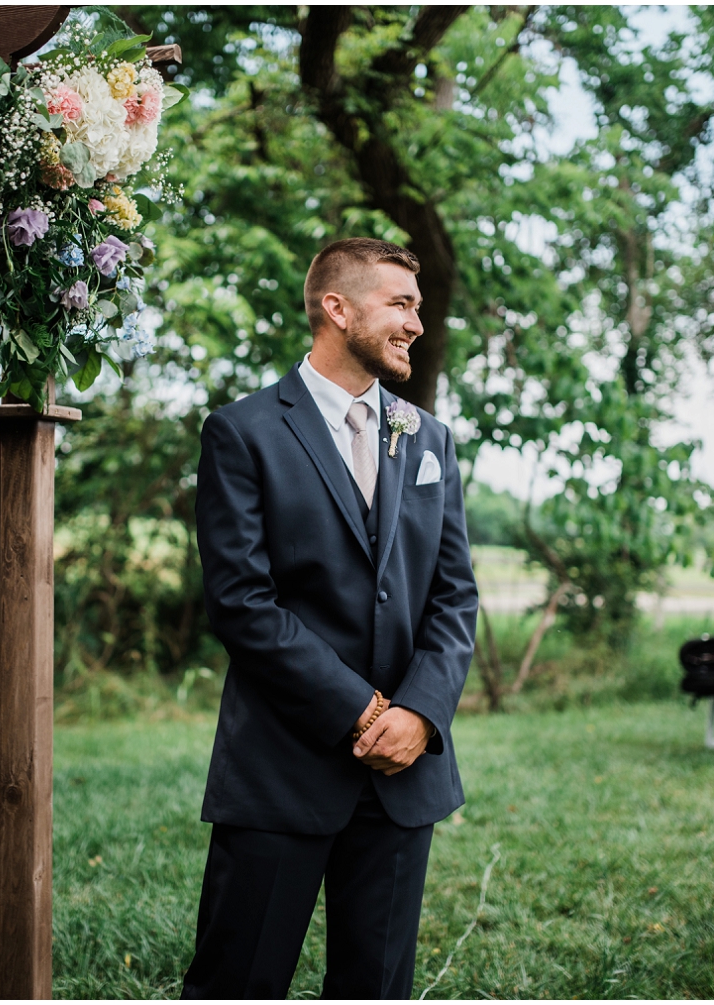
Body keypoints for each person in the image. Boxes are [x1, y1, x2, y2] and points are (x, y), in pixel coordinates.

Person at [183, 237, 478, 999]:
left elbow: (455, 596)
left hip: (404, 773)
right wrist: (359, 710)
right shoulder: (243, 432)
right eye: (400, 303)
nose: (417, 321)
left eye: (418, 305)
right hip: (283, 765)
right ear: (336, 308)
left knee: (375, 987)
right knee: (237, 981)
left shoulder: (430, 439)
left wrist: (418, 711)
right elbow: (243, 602)